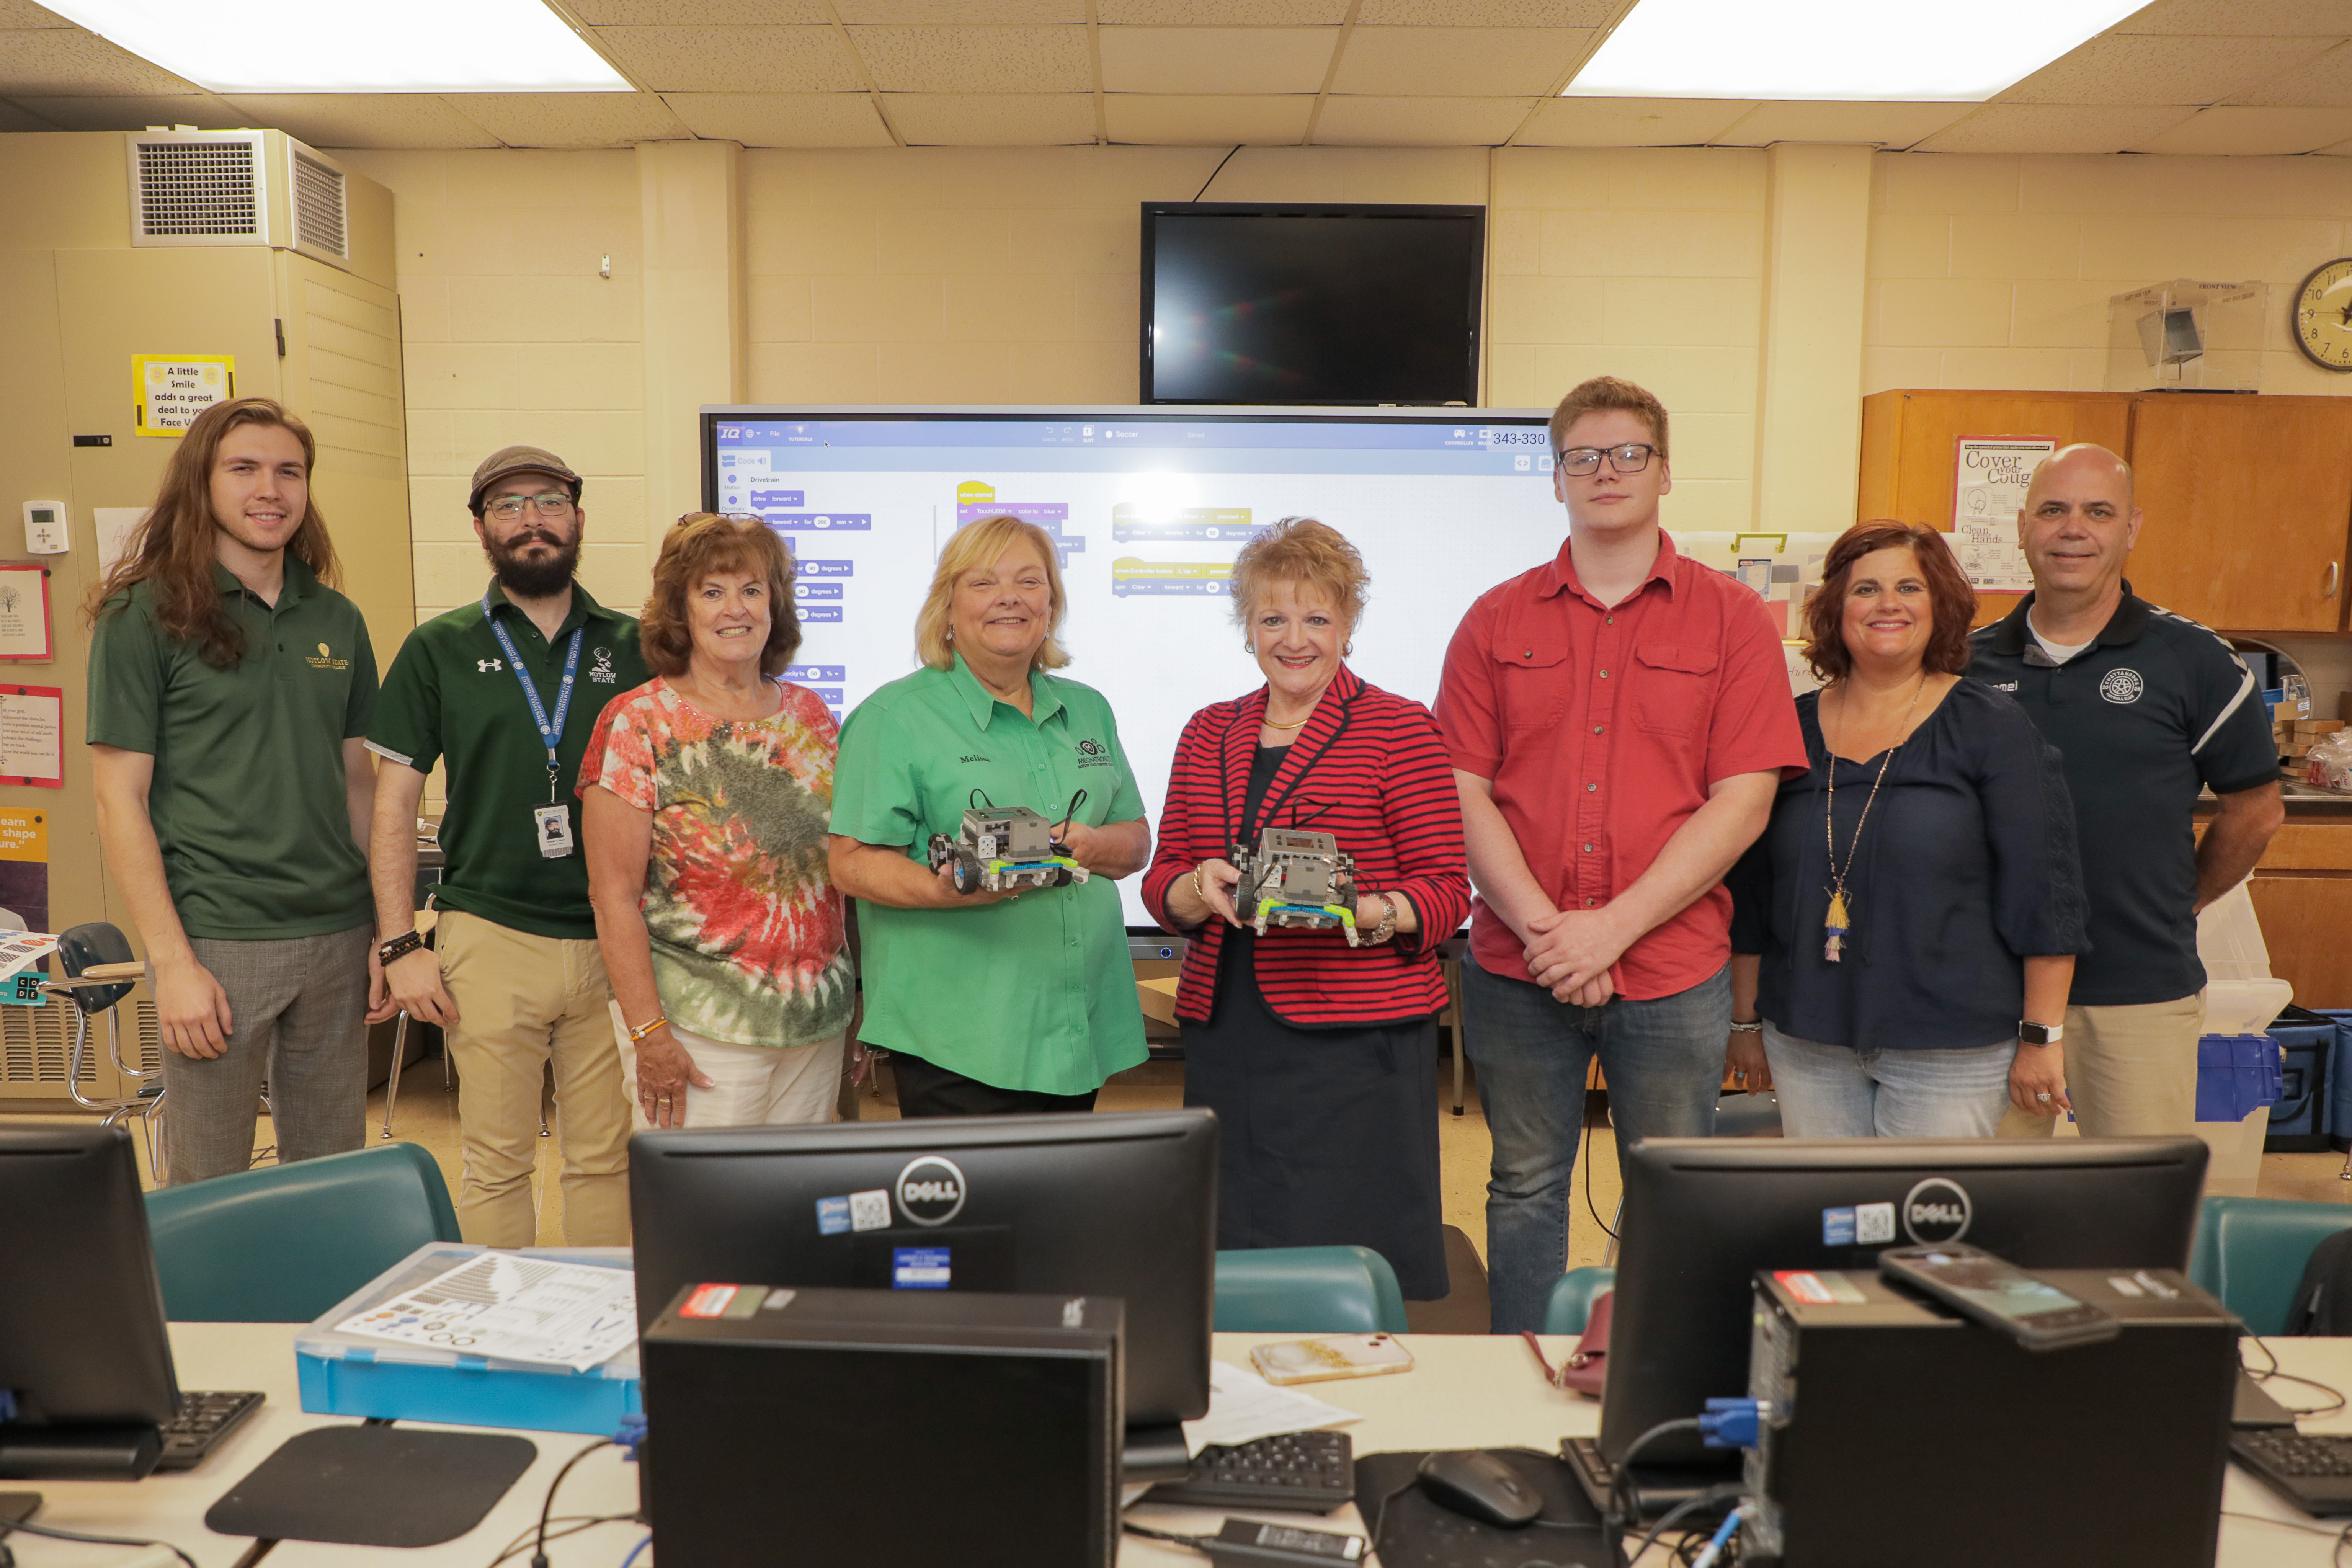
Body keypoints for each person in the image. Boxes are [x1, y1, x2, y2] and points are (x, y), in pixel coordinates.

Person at [1433, 376, 1806, 1334]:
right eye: (1583, 457)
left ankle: (1642, 1368)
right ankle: (1521, 1370)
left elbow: (1745, 797)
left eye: (1629, 454)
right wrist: (1550, 930)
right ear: (1555, 478)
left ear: (1666, 472)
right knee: (1522, 1183)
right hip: (1521, 967)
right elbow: (1465, 788)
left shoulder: (1731, 621)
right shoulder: (1494, 619)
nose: (1607, 472)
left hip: (1673, 973)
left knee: (1667, 1187)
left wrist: (1610, 931)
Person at [1143, 519, 1471, 1299]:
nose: (1295, 639)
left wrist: (1364, 908)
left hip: (1356, 1043)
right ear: (1247, 627)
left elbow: (1447, 891)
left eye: (1317, 617)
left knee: (1347, 1246)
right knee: (1234, 1243)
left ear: (1349, 625)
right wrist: (1198, 888)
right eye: (1274, 618)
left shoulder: (1399, 727)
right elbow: (1163, 880)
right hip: (1231, 1030)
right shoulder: (1207, 730)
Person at [86, 397, 378, 1185]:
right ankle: (208, 1316)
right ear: (202, 483)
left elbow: (360, 783)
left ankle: (313, 1308)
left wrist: (388, 930)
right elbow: (120, 801)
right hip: (216, 938)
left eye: (290, 471)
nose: (270, 489)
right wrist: (172, 962)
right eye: (244, 468)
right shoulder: (144, 614)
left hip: (336, 934)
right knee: (209, 1184)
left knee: (331, 1180)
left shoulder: (337, 619)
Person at [365, 445, 646, 1244]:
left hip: (614, 937)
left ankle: (598, 1344)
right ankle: (503, 1349)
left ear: (579, 518)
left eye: (549, 501)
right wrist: (397, 944)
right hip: (488, 935)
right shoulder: (438, 647)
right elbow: (395, 803)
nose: (532, 519)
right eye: (509, 505)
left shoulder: (637, 645)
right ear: (482, 527)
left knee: (607, 1161)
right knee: (494, 1162)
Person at [1724, 523, 2087, 1137]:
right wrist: (1744, 1024)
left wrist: (2041, 1039)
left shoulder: (1991, 728)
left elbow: (2045, 895)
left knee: (1923, 1228)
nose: (1887, 603)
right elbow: (1751, 892)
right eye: (1866, 589)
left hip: (1950, 1046)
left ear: (1938, 606)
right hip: (1808, 1038)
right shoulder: (1791, 731)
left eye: (1908, 587)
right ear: (1837, 610)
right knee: (1834, 1224)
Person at [1968, 444, 2285, 1137]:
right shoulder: (1967, 664)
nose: (2072, 528)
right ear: (2024, 526)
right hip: (1991, 992)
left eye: (2098, 511)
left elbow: (2257, 812)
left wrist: (2184, 899)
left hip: (2141, 991)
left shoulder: (2196, 661)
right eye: (2053, 510)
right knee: (1986, 1214)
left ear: (2132, 528)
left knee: (2139, 1216)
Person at [828, 514, 1151, 1117]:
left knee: (1065, 1210)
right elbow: (849, 865)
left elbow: (1136, 839)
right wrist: (947, 890)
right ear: (947, 609)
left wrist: (1090, 846)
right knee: (980, 1212)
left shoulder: (1088, 711)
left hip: (1079, 1029)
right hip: (960, 1041)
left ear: (1050, 606)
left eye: (1030, 582)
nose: (1010, 597)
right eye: (983, 583)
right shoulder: (895, 717)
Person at [580, 514, 853, 1130]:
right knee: (706, 1219)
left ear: (775, 606)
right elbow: (613, 897)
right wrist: (649, 1036)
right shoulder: (639, 722)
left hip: (814, 1026)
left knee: (798, 1214)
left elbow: (839, 876)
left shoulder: (810, 714)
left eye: (753, 591)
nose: (737, 609)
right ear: (680, 611)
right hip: (698, 1031)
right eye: (712, 592)